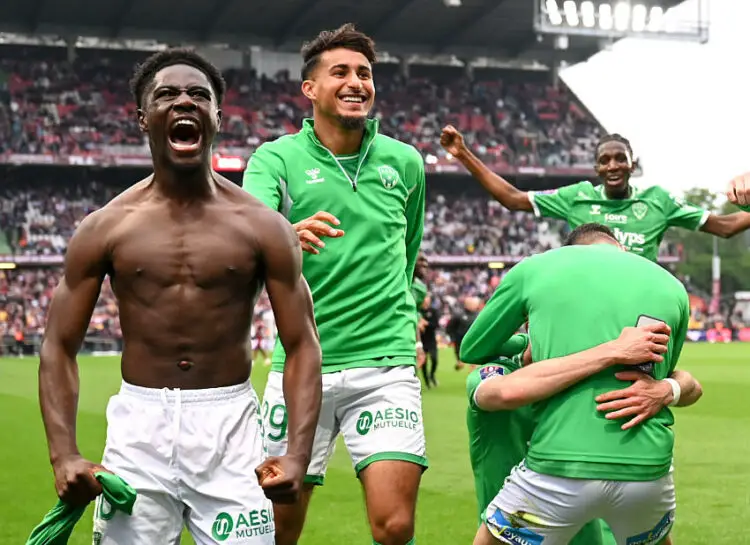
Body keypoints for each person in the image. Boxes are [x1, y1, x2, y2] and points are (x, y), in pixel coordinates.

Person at [38, 49, 323, 545]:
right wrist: (63, 453)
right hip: (138, 431)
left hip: (230, 428)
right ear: (144, 117)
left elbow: (302, 344)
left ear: (217, 116)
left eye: (199, 95)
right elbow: (58, 346)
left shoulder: (264, 227)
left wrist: (297, 452)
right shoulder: (105, 227)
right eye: (167, 95)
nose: (184, 102)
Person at [243, 24, 426, 545]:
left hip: (384, 364)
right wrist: (283, 235)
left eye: (364, 73)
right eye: (340, 72)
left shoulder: (405, 162)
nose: (355, 82)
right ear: (310, 89)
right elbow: (246, 232)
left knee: (395, 527)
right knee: (279, 525)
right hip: (301, 365)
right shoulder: (274, 159)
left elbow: (407, 252)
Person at [460, 223, 703, 545]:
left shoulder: (536, 268)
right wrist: (666, 390)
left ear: (570, 249)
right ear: (621, 248)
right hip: (648, 470)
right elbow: (670, 377)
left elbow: (472, 350)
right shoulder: (670, 284)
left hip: (558, 468)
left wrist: (525, 344)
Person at [440, 126, 750, 262]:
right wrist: (464, 154)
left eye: (620, 159)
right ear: (596, 168)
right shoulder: (577, 196)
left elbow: (725, 227)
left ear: (633, 165)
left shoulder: (658, 200)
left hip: (641, 309)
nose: (613, 165)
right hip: (586, 306)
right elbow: (512, 198)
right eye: (605, 160)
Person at [419, 293, 440, 388]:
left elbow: (435, 325)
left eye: (427, 299)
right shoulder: (418, 311)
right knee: (424, 361)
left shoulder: (433, 311)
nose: (426, 301)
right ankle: (427, 381)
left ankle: (432, 374)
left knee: (434, 359)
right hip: (422, 340)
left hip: (431, 340)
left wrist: (426, 323)